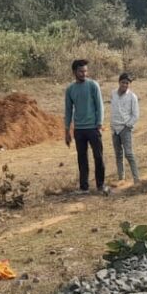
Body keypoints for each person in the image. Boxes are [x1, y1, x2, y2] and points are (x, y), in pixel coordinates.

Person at [63, 59, 108, 195]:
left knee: (98, 156)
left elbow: (100, 105)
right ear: (74, 72)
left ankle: (101, 185)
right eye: (81, 71)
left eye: (85, 71)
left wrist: (99, 123)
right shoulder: (70, 89)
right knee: (82, 158)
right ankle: (84, 187)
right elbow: (68, 110)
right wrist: (67, 130)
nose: (84, 74)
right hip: (79, 130)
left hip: (93, 128)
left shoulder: (93, 85)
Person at [110, 72, 141, 185]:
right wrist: (112, 126)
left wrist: (128, 126)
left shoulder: (132, 97)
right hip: (114, 128)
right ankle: (121, 178)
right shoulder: (113, 93)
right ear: (119, 82)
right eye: (123, 82)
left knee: (129, 153)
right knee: (118, 154)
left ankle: (136, 179)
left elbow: (135, 115)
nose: (125, 85)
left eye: (127, 83)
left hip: (125, 128)